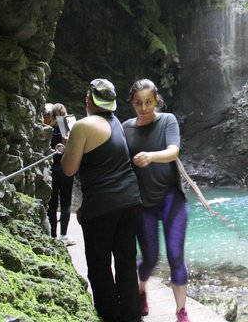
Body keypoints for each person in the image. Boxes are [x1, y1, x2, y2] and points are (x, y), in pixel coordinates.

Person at [60, 78, 143, 322]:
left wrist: (67, 148)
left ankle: (110, 317)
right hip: (130, 201)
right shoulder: (115, 122)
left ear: (88, 99)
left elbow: (68, 169)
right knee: (126, 264)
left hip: (103, 208)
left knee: (99, 267)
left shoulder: (82, 126)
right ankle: (132, 317)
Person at [122, 79, 190, 322]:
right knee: (150, 257)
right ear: (131, 103)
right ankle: (141, 290)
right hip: (144, 203)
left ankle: (181, 311)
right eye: (138, 103)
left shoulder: (167, 121)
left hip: (172, 199)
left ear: (156, 100)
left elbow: (174, 150)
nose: (144, 107)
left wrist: (151, 156)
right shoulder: (126, 128)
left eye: (148, 102)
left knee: (175, 255)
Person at [46, 103, 76, 246]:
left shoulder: (48, 129)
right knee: (65, 203)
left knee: (52, 203)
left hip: (52, 170)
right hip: (66, 170)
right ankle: (63, 235)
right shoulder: (68, 129)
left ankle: (52, 235)